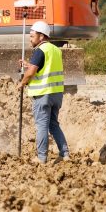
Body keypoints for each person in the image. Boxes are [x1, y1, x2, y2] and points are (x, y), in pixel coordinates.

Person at [17, 20, 69, 163]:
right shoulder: (55, 50)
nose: (30, 39)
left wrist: (22, 83)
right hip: (56, 94)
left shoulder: (40, 50)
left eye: (32, 36)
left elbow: (31, 73)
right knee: (53, 124)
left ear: (41, 36)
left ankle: (41, 158)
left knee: (41, 125)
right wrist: (29, 64)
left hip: (43, 94)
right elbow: (45, 67)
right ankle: (65, 154)